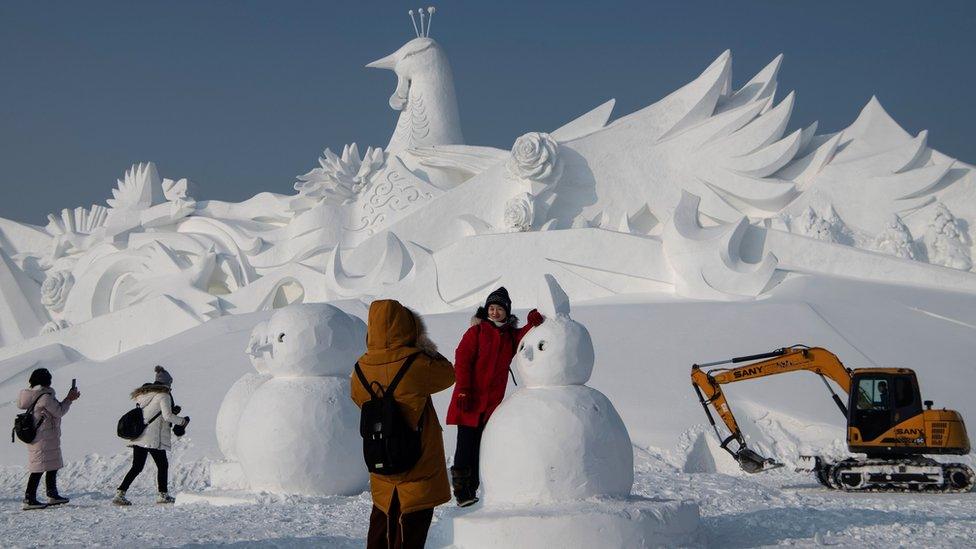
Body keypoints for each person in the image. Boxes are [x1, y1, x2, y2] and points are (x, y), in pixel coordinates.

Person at [350, 300, 455, 549]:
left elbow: (357, 398)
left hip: (380, 459)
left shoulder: (361, 367)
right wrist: (424, 347)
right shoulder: (417, 363)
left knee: (381, 528)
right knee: (410, 531)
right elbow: (448, 374)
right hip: (416, 464)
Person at [445, 287, 543, 506]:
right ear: (485, 310)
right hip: (469, 398)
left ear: (507, 312)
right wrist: (463, 389)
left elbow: (523, 336)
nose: (495, 312)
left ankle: (475, 489)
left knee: (483, 444)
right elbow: (462, 361)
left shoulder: (509, 336)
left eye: (499, 308)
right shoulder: (476, 332)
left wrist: (533, 321)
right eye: (491, 308)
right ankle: (462, 492)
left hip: (490, 403)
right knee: (466, 444)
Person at [113, 366, 189, 506]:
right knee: (162, 465)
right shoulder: (164, 395)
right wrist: (183, 421)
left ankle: (120, 494)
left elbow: (152, 411)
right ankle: (163, 495)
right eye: (170, 383)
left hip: (140, 436)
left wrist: (172, 410)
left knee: (137, 467)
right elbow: (167, 416)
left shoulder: (145, 395)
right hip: (153, 438)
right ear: (167, 383)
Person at [17, 368, 80, 510]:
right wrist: (69, 398)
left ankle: (52, 494)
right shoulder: (45, 397)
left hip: (41, 437)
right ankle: (30, 498)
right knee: (39, 468)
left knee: (51, 464)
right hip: (44, 438)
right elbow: (59, 411)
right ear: (47, 381)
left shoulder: (33, 395)